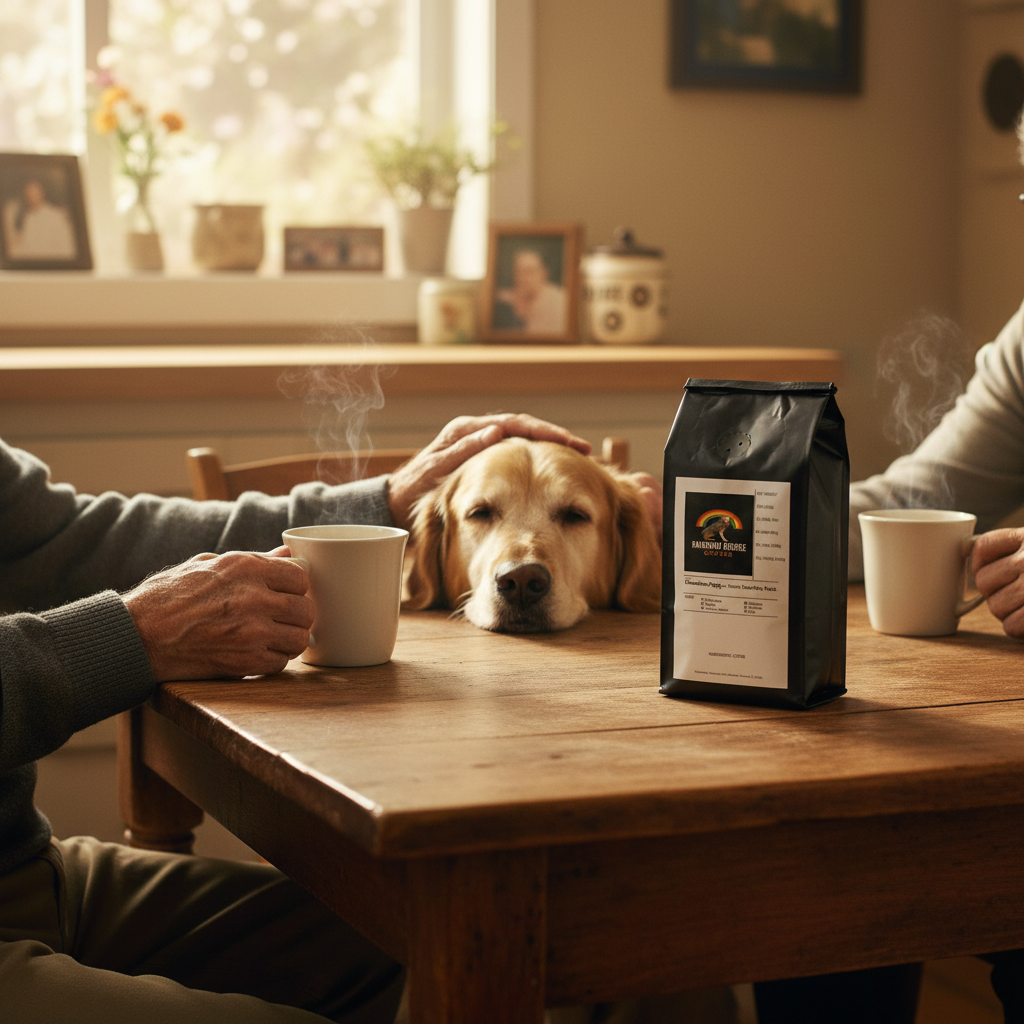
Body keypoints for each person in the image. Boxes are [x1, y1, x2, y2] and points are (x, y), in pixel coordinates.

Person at [0, 413, 593, 1023]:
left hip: (28, 868)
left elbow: (74, 540)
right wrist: (130, 636)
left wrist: (379, 505)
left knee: (451, 952)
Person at [494, 248, 567, 334]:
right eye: (518, 271)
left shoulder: (560, 301)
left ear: (543, 273)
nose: (522, 278)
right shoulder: (506, 299)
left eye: (529, 272)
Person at [3, 178, 76, 260]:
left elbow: (66, 248)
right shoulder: (27, 217)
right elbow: (25, 246)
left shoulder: (56, 216)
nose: (31, 197)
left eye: (34, 193)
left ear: (42, 193)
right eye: (28, 194)